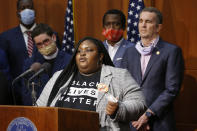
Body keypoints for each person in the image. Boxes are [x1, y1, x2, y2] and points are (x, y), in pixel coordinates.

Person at [37, 36, 146, 130]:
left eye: (88, 50)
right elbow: (39, 109)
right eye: (79, 51)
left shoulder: (119, 75)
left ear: (100, 56)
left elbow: (139, 103)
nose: (82, 54)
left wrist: (119, 109)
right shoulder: (60, 76)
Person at [121, 7, 184, 131]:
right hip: (133, 122)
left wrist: (148, 114)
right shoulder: (129, 52)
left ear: (158, 27)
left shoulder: (171, 51)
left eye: (148, 22)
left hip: (159, 122)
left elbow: (172, 89)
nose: (143, 25)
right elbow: (122, 85)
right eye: (140, 21)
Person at [0, 0, 61, 104]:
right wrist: (19, 91)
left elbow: (56, 60)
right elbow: (5, 70)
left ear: (34, 11)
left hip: (48, 93)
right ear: (17, 13)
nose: (26, 10)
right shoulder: (5, 37)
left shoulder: (50, 34)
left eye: (29, 7)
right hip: (17, 95)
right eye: (23, 8)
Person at [22, 23, 71, 105]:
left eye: (46, 41)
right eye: (39, 44)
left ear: (54, 37)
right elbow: (26, 92)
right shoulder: (30, 63)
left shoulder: (69, 60)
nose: (43, 46)